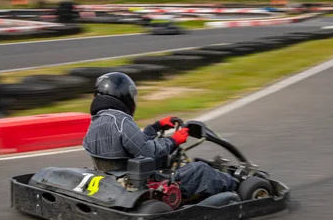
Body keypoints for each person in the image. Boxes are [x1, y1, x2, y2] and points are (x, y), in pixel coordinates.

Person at [83, 72, 238, 199]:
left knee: (164, 159)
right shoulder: (121, 120)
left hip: (114, 177)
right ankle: (238, 185)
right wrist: (174, 140)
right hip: (137, 182)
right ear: (123, 96)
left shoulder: (97, 121)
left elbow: (135, 143)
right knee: (201, 169)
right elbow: (148, 151)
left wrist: (156, 127)